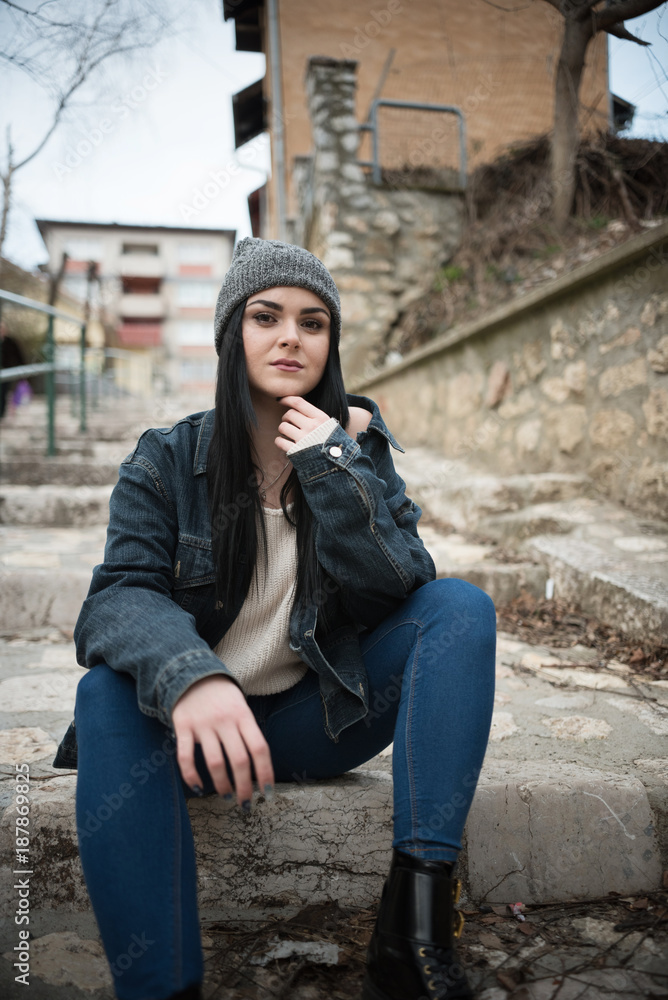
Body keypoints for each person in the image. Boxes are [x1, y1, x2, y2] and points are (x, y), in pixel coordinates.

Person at [53, 237, 496, 1000]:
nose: (292, 336)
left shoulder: (352, 450)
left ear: (330, 344)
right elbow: (117, 600)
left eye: (313, 322)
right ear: (234, 335)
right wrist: (194, 677)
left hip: (308, 725)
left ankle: (413, 938)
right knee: (103, 695)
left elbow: (402, 587)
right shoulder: (164, 460)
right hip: (184, 737)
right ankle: (163, 987)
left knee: (460, 608)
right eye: (267, 316)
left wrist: (337, 469)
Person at [0, 319, 26, 419]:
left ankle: (1, 413)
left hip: (7, 371)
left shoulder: (11, 342)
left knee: (3, 392)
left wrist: (23, 372)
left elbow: (19, 356)